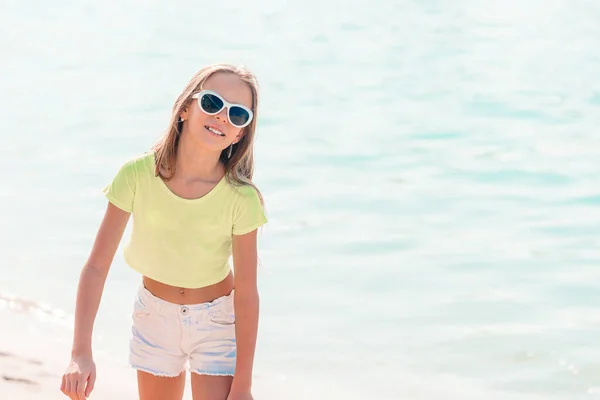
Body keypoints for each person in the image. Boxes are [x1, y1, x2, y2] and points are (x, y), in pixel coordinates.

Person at [60, 63, 268, 400]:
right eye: (213, 103)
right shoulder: (137, 175)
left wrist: (242, 386)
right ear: (186, 107)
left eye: (238, 115)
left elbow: (246, 294)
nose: (222, 118)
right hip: (154, 317)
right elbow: (96, 267)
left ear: (240, 133)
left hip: (217, 321)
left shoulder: (241, 198)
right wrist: (80, 353)